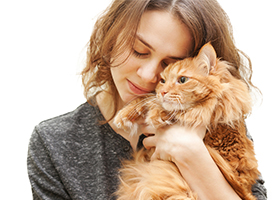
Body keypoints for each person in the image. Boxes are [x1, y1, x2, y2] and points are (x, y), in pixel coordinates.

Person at [27, 0, 267, 199]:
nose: (149, 75)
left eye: (169, 65)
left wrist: (192, 154)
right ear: (111, 36)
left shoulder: (221, 121)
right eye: (138, 51)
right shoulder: (53, 141)